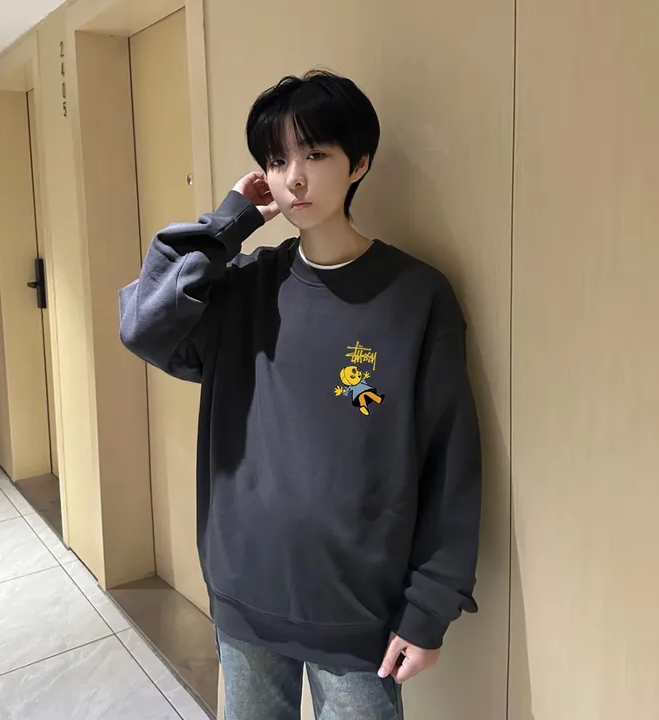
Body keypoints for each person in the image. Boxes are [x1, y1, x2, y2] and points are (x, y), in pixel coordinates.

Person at [119, 69, 482, 720]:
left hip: (359, 614)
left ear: (359, 163)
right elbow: (144, 323)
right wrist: (227, 225)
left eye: (315, 155)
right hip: (244, 596)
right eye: (277, 160)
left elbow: (450, 458)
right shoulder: (244, 288)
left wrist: (430, 607)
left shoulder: (415, 296)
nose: (295, 179)